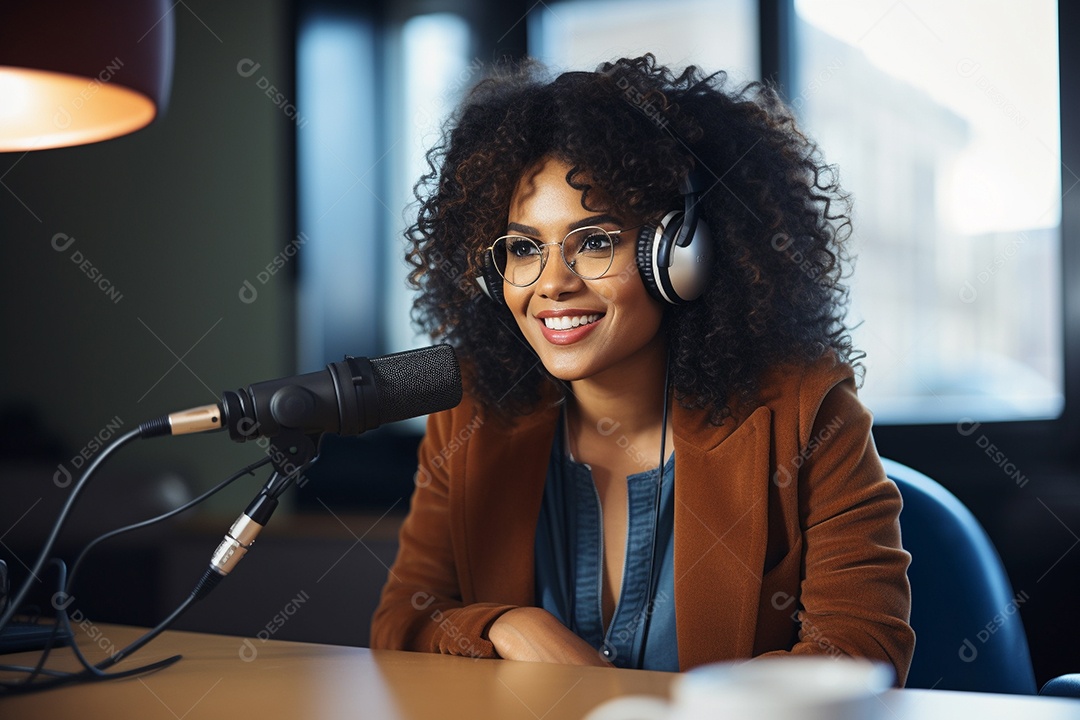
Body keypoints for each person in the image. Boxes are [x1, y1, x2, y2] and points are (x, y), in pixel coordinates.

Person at [370, 54, 914, 682]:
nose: (552, 283)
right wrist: (506, 627)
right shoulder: (473, 414)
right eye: (523, 248)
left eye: (596, 241)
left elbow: (860, 648)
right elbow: (402, 621)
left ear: (680, 256)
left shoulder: (806, 412)